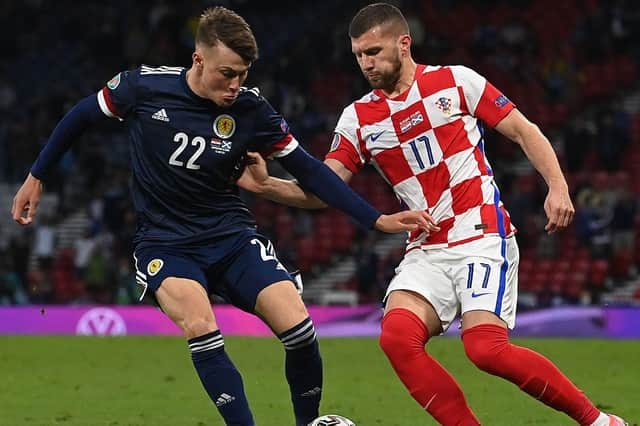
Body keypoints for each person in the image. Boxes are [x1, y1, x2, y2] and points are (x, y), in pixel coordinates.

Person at [11, 7, 435, 426]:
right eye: (226, 73)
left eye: (243, 75)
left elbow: (309, 171)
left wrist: (377, 220)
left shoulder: (251, 110)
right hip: (166, 243)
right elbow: (79, 117)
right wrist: (36, 177)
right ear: (198, 60)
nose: (235, 86)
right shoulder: (143, 88)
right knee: (201, 325)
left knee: (300, 329)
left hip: (231, 238)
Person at [236, 3, 628, 425]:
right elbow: (324, 190)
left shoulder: (456, 81)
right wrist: (265, 185)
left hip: (480, 233)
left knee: (485, 349)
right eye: (359, 55)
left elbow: (523, 130)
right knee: (397, 338)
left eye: (374, 51)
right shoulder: (359, 119)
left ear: (404, 44)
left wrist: (557, 185)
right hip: (427, 248)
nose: (366, 63)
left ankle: (598, 421)